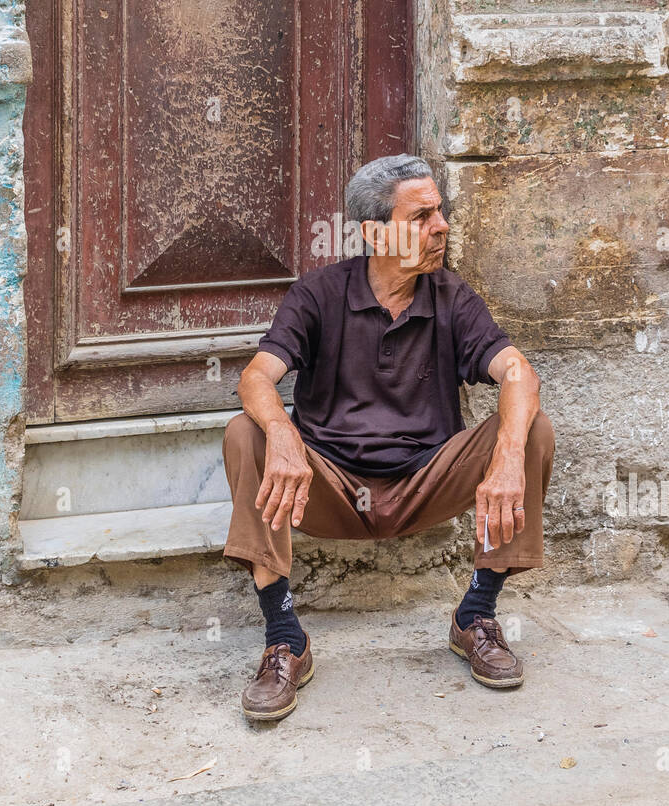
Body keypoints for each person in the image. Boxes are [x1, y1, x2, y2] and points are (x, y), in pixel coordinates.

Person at [222, 154, 555, 720]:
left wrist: (505, 456)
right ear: (376, 233)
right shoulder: (320, 294)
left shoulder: (452, 297)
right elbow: (256, 376)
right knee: (244, 433)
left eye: (441, 212)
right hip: (327, 486)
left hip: (427, 482)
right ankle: (285, 639)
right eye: (422, 216)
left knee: (530, 428)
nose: (442, 226)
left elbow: (518, 373)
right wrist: (280, 430)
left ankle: (476, 613)